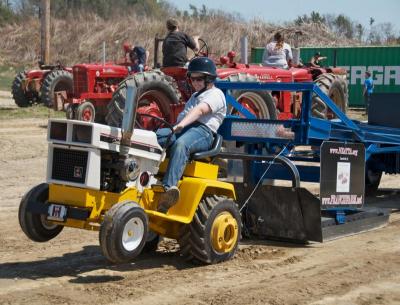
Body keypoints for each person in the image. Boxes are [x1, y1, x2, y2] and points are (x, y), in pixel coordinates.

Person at [156, 57, 226, 212]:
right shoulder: (194, 97)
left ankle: (168, 190)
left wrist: (180, 125)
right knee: (156, 137)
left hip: (203, 132)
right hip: (184, 128)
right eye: (192, 78)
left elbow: (200, 111)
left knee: (182, 144)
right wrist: (174, 128)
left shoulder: (216, 94)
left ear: (209, 79)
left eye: (199, 79)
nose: (195, 82)